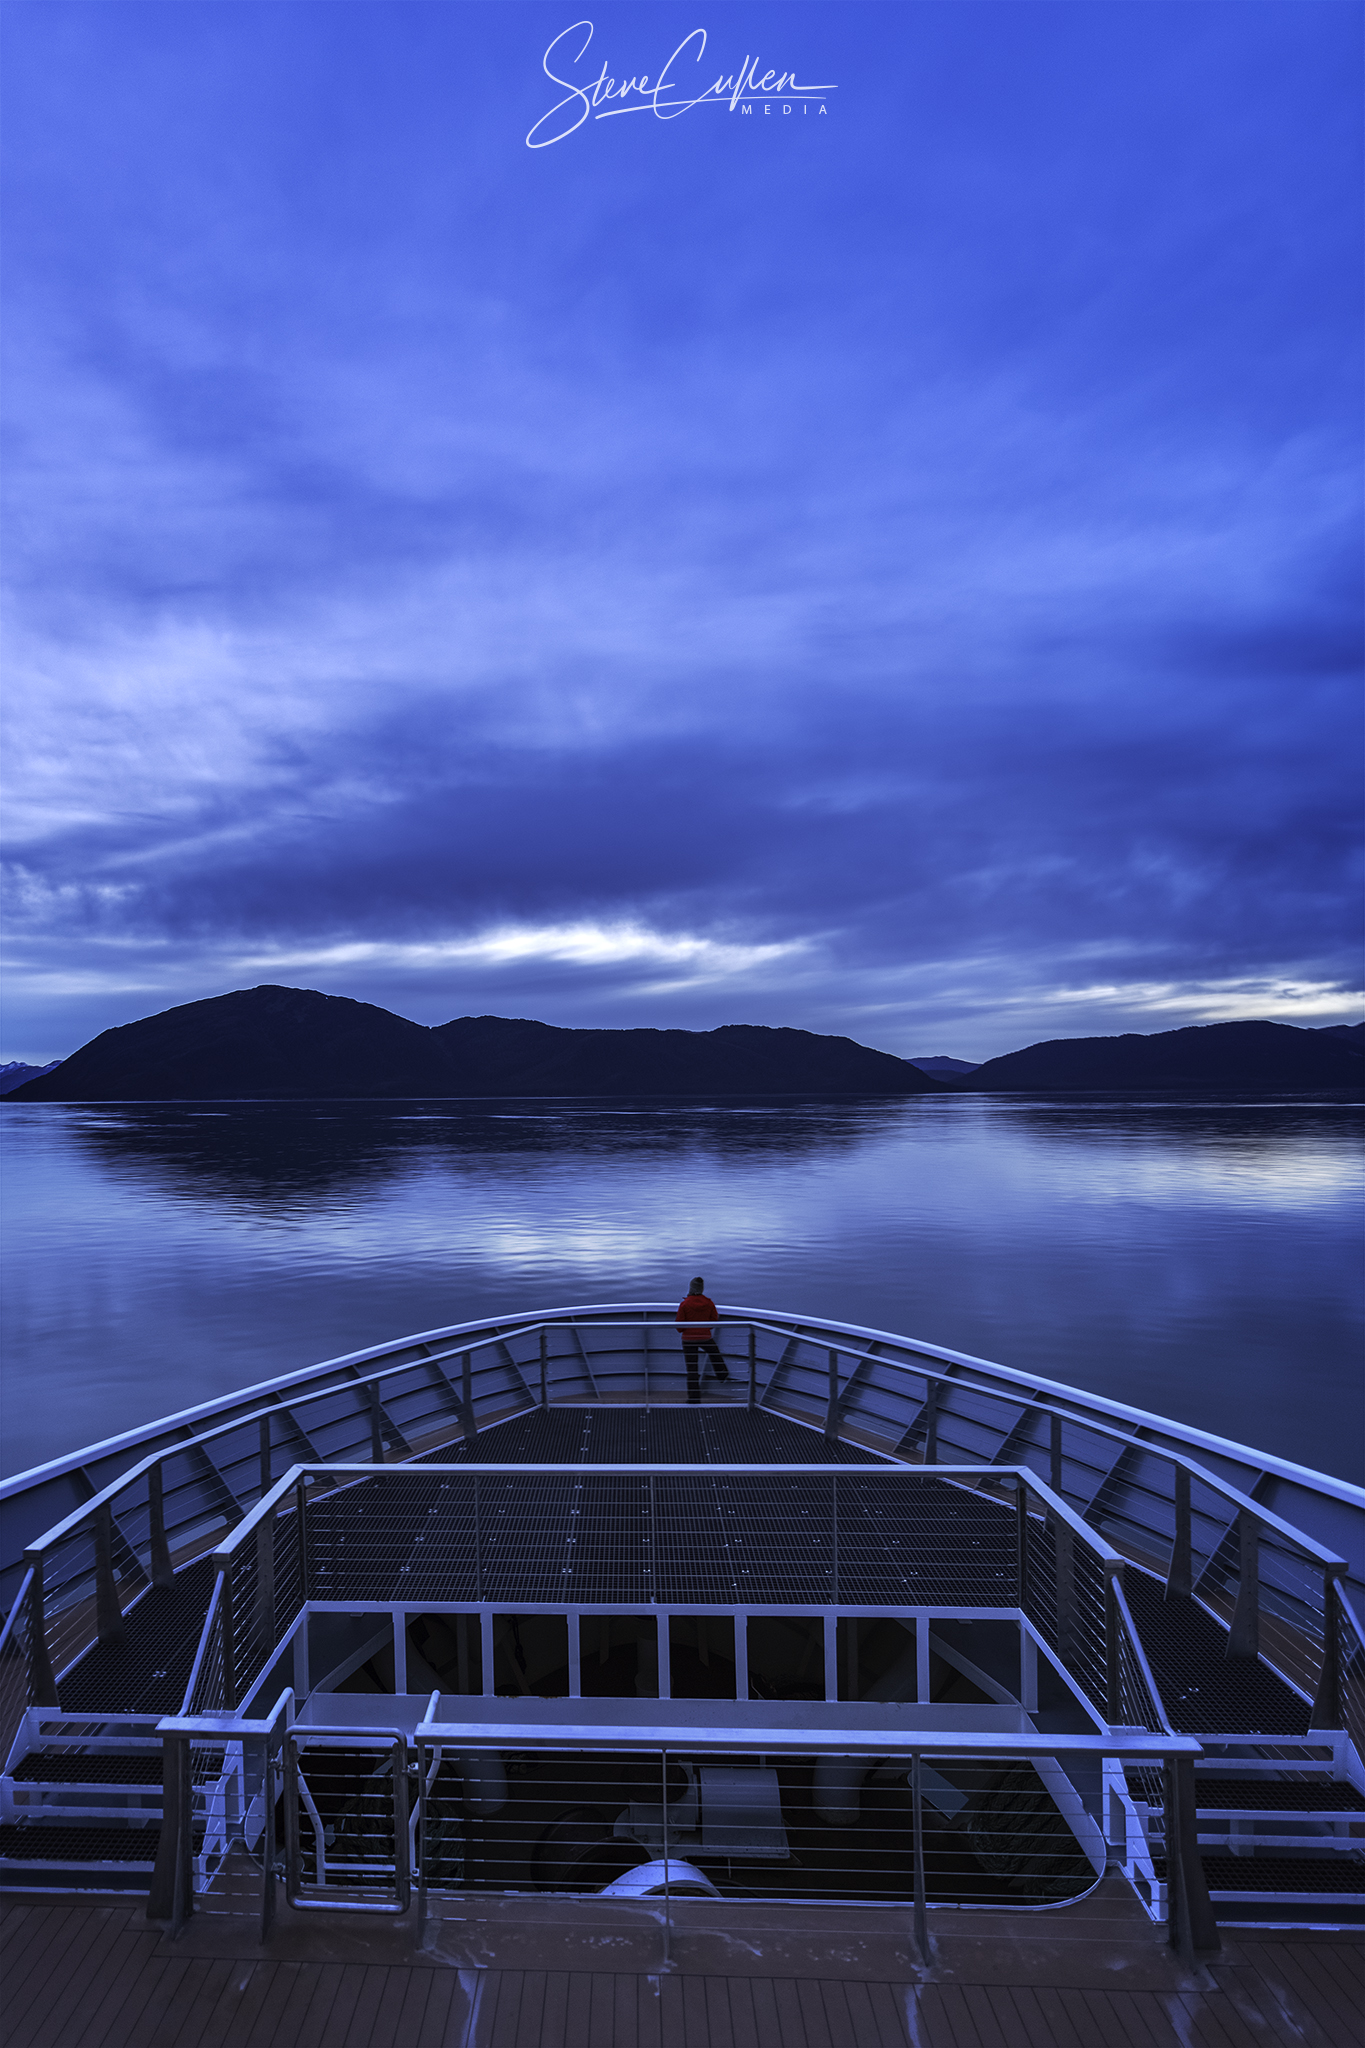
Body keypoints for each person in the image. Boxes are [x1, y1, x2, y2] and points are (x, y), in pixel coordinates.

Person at [676, 1277, 730, 1403]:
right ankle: (722, 1374)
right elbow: (713, 1321)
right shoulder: (709, 1302)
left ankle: (694, 1398)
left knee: (692, 1369)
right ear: (701, 1289)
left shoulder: (685, 1304)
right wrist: (704, 1328)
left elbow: (679, 1327)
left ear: (691, 1288)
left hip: (688, 1339)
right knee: (714, 1353)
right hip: (705, 1336)